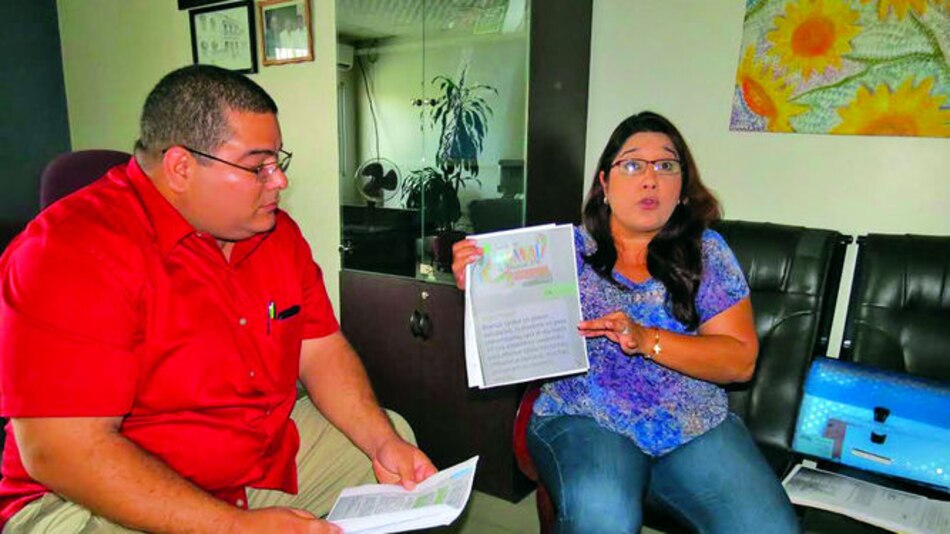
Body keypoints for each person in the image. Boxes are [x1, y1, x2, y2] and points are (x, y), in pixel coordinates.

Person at [0, 64, 437, 533]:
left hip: (248, 462)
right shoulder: (69, 250)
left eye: (278, 161)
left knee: (392, 455)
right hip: (90, 493)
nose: (279, 182)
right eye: (257, 166)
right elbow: (61, 453)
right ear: (181, 167)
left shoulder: (276, 235)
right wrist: (234, 527)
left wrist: (380, 442)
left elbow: (321, 348)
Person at [452, 112, 799, 533]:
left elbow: (739, 360)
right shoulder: (562, 253)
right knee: (604, 515)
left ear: (682, 188)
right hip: (585, 416)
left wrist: (646, 338)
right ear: (605, 183)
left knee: (769, 529)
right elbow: (513, 329)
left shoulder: (707, 253)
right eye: (633, 164)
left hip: (691, 420)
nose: (650, 179)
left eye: (666, 166)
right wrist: (482, 282)